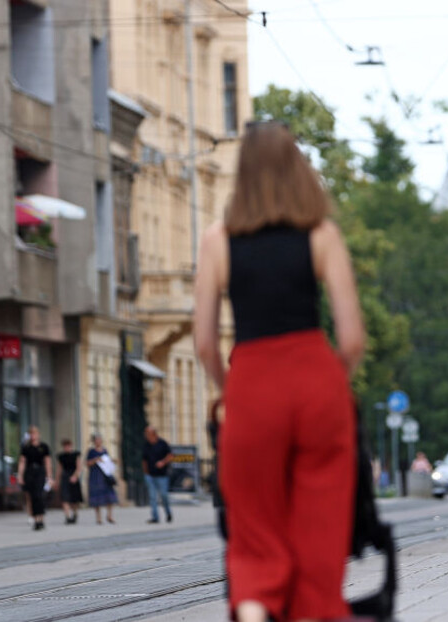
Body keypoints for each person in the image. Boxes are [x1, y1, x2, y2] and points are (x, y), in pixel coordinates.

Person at [194, 120, 365, 622]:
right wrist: (334, 383)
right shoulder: (321, 234)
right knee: (318, 538)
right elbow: (352, 338)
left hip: (251, 385)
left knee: (254, 536)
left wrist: (231, 394)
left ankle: (251, 610)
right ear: (298, 169)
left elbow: (205, 342)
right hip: (316, 380)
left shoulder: (217, 240)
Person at [17, 425, 53, 531]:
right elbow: (22, 462)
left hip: (40, 472)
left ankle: (41, 518)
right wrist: (20, 475)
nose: (33, 436)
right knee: (32, 496)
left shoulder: (44, 447)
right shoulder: (26, 448)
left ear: (38, 435)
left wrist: (49, 476)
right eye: (31, 434)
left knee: (39, 495)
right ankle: (35, 518)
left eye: (35, 433)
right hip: (30, 473)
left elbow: (47, 462)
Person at [142, 425, 174, 524]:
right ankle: (155, 517)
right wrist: (145, 472)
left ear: (153, 434)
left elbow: (170, 456)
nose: (146, 435)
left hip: (162, 476)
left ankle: (168, 513)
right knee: (152, 497)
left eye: (148, 433)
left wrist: (163, 462)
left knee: (164, 495)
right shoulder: (146, 445)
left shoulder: (162, 443)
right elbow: (144, 460)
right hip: (150, 476)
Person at [86, 434, 118, 524]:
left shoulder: (105, 450)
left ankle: (109, 515)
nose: (98, 442)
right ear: (94, 441)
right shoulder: (91, 451)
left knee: (110, 496)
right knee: (97, 497)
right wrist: (95, 460)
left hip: (105, 476)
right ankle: (98, 518)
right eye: (97, 440)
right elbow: (87, 463)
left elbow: (107, 461)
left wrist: (112, 461)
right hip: (96, 476)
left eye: (99, 440)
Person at [57, 439, 83, 524]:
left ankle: (75, 513)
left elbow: (79, 467)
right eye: (65, 446)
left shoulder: (76, 455)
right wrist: (57, 480)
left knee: (74, 499)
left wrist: (75, 476)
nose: (66, 448)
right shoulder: (61, 456)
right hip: (65, 477)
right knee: (65, 498)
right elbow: (59, 469)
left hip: (74, 476)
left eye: (68, 446)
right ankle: (67, 516)